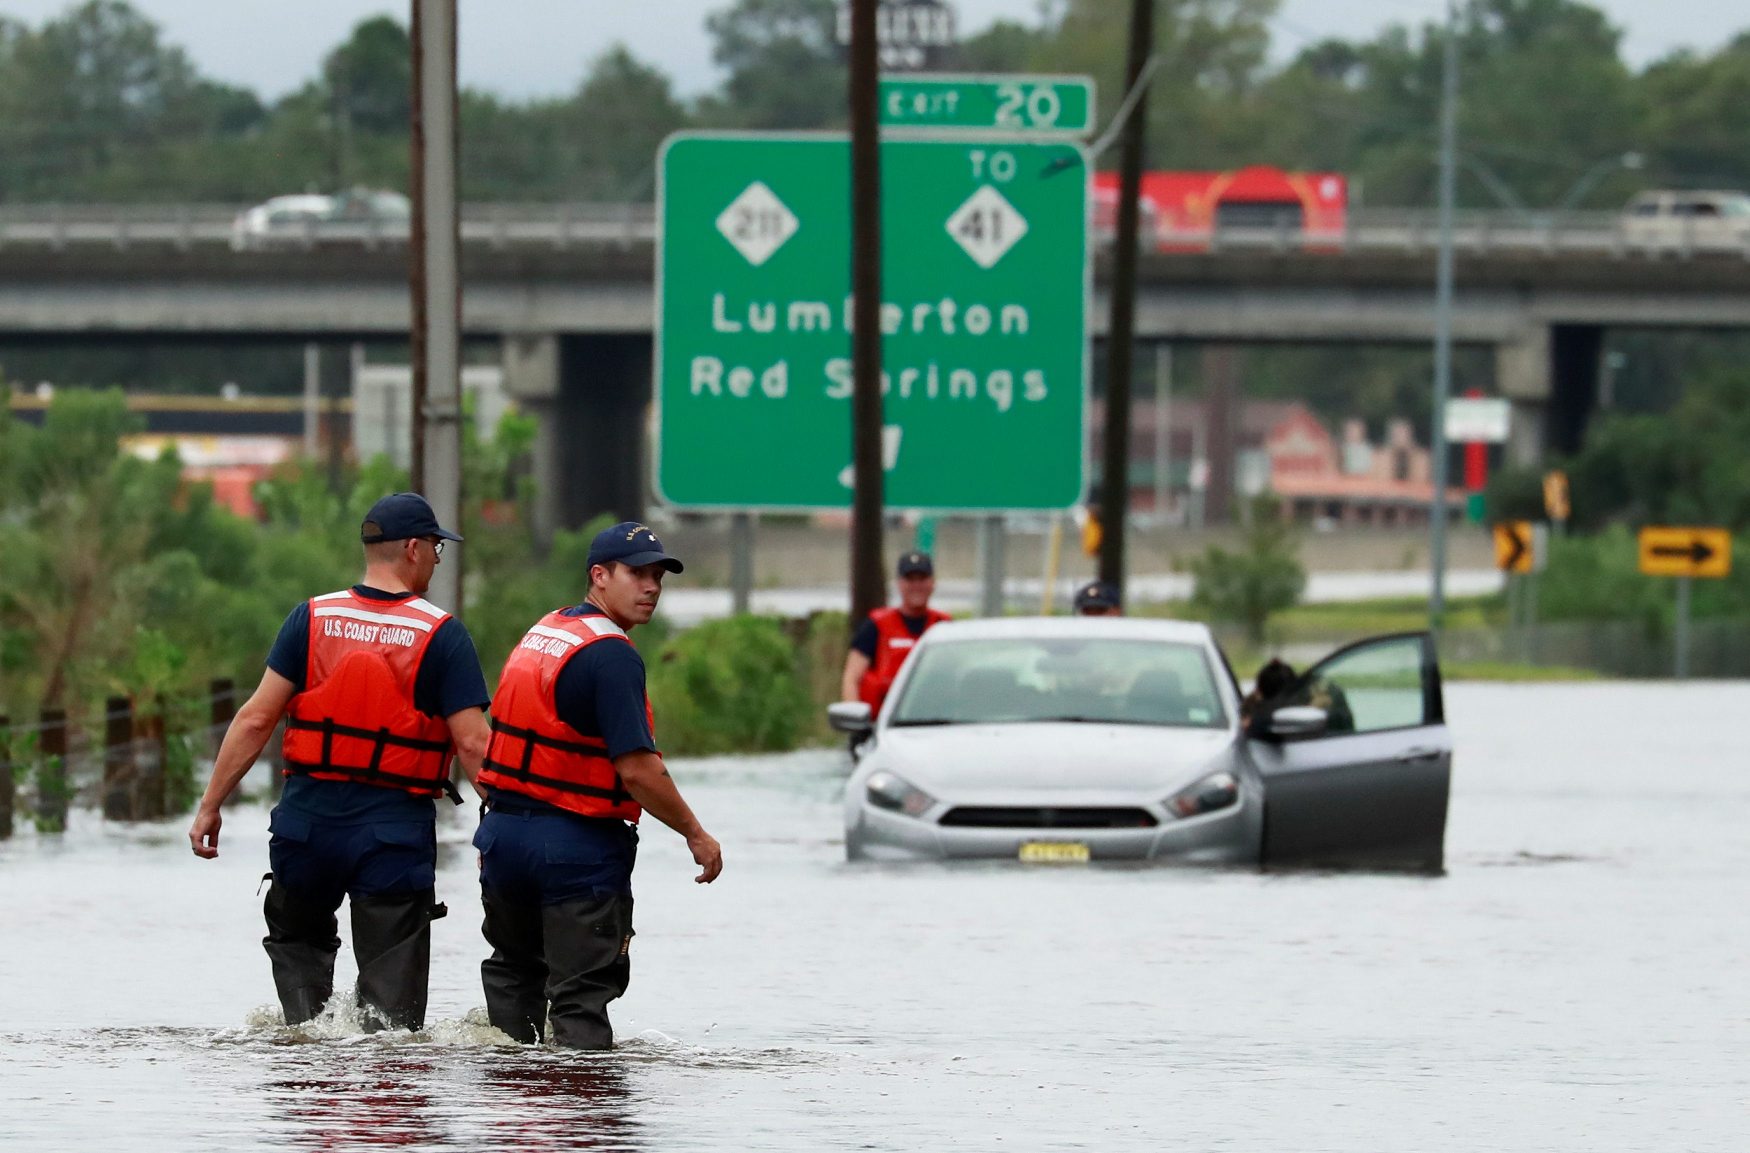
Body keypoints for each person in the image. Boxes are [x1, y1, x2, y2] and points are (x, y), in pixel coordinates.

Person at [188, 492, 491, 1032]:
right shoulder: (441, 635)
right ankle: (384, 1106)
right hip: (392, 834)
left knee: (301, 984)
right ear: (415, 550)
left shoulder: (311, 617)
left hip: (307, 826)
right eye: (438, 550)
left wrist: (210, 804)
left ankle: (309, 1083)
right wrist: (506, 825)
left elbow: (256, 718)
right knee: (391, 1022)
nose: (438, 560)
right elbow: (473, 746)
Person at [474, 521, 723, 1050]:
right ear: (599, 576)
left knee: (513, 979)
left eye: (658, 576)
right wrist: (695, 834)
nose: (652, 586)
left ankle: (511, 1118)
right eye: (637, 574)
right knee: (580, 997)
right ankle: (586, 1130)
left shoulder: (548, 629)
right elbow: (638, 770)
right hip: (573, 846)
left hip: (502, 839)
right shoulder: (611, 654)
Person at [840, 550, 951, 716]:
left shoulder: (943, 627)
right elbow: (851, 677)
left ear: (932, 583)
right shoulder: (876, 626)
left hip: (936, 722)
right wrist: (856, 723)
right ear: (899, 583)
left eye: (922, 579)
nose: (916, 585)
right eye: (910, 579)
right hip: (882, 724)